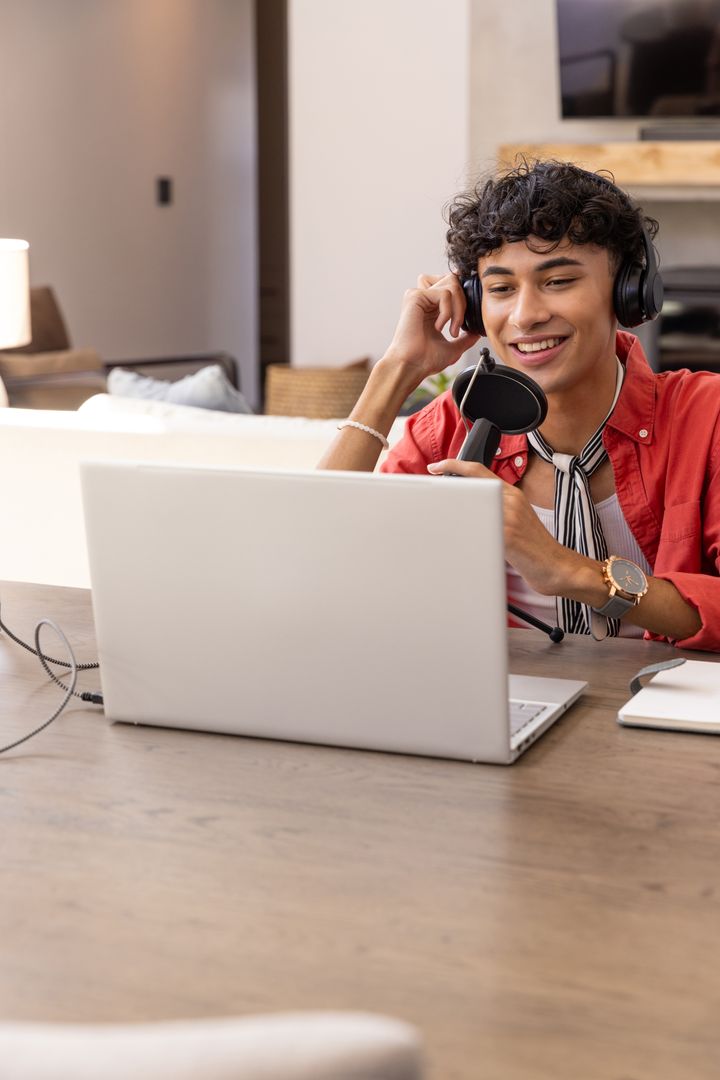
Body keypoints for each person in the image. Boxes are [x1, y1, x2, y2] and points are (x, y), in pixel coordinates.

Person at [318, 159, 720, 652]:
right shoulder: (450, 424)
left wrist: (567, 570)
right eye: (501, 289)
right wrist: (397, 369)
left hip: (662, 709)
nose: (526, 316)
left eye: (558, 281)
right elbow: (317, 561)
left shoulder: (707, 417)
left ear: (626, 294)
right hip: (500, 705)